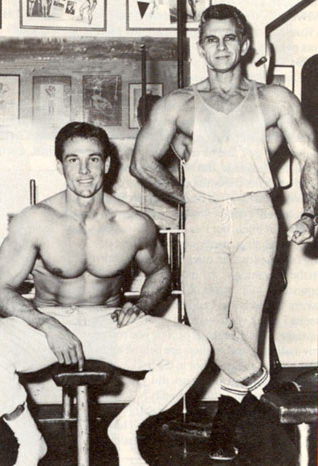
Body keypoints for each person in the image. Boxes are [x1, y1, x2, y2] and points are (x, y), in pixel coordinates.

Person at [130, 3, 318, 461]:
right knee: (209, 324)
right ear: (201, 46)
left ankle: (224, 427)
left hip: (257, 215)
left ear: (244, 43)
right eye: (212, 39)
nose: (221, 47)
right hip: (206, 216)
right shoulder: (181, 103)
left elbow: (310, 156)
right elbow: (141, 162)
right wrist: (187, 198)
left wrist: (311, 215)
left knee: (246, 327)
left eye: (229, 38)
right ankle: (270, 389)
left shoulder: (272, 99)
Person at [0, 121, 211, 466]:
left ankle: (126, 427)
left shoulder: (133, 223)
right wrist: (47, 324)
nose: (83, 170)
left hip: (110, 324)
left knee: (195, 347)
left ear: (107, 164)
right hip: (47, 324)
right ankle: (29, 439)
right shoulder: (34, 220)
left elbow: (160, 272)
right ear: (59, 165)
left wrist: (142, 304)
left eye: (93, 159)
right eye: (73, 159)